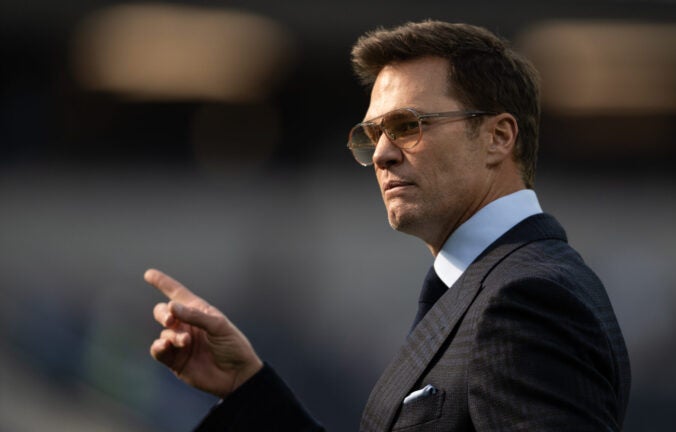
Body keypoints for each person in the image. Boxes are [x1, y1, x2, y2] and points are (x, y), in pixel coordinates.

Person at [146, 20, 631, 431]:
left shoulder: (526, 299)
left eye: (407, 126)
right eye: (373, 134)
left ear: (498, 137)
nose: (381, 154)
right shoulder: (490, 285)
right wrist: (245, 386)